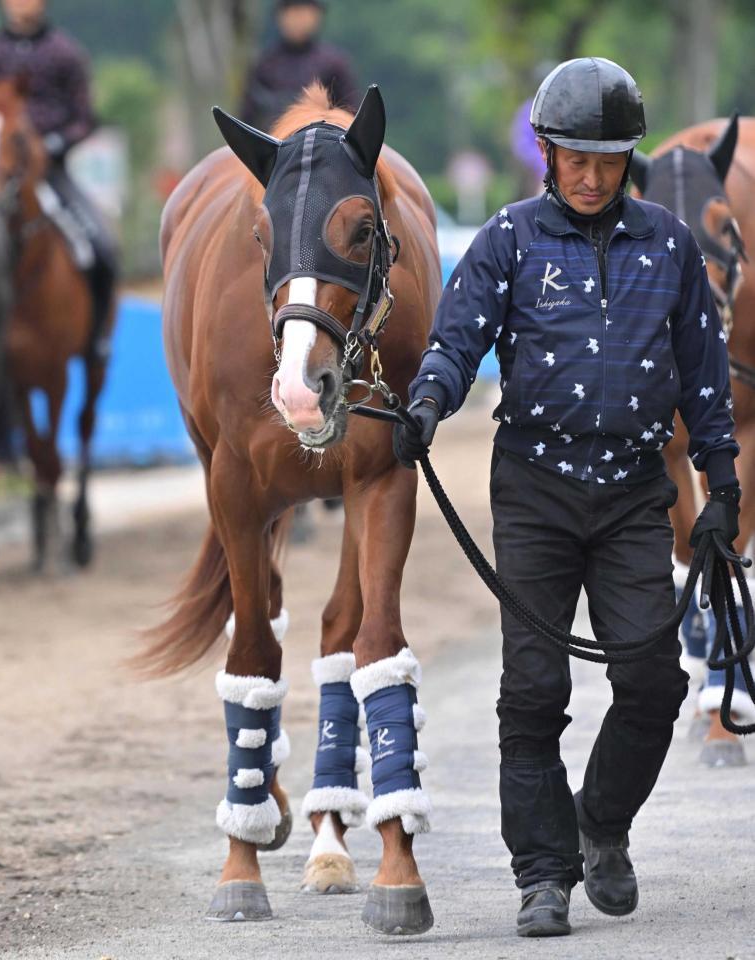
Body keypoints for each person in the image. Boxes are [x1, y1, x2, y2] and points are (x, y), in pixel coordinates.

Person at [393, 57, 741, 938]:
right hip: (534, 493)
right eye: (574, 160)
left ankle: (600, 826)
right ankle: (541, 876)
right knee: (532, 690)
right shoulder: (506, 240)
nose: (590, 178)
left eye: (608, 161)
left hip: (634, 494)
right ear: (546, 154)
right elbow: (455, 339)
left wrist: (722, 491)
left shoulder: (667, 245)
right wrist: (427, 404)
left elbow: (703, 384)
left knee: (653, 681)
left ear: (629, 160)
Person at [0, 0, 118, 364]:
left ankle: (96, 338)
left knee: (102, 246)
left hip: (51, 172)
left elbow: (85, 117)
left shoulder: (66, 53)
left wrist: (53, 145)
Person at [241, 0, 358, 131]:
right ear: (280, 17)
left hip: (323, 143)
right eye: (293, 12)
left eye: (304, 13)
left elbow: (351, 116)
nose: (298, 20)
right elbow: (247, 118)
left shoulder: (334, 64)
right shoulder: (264, 65)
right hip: (272, 142)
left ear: (317, 16)